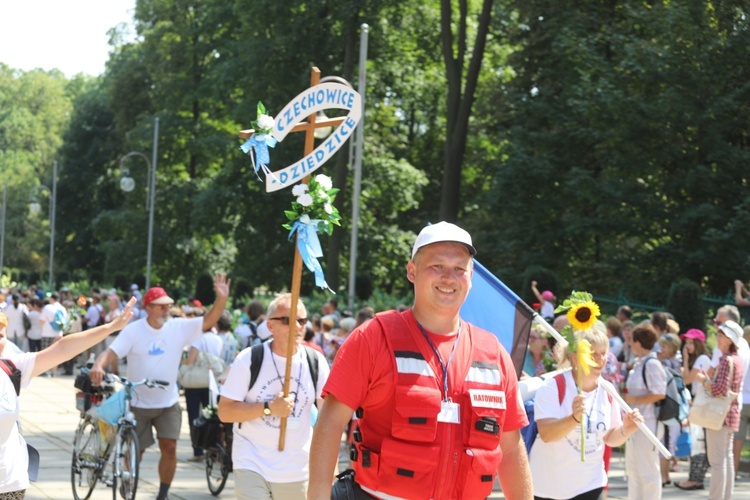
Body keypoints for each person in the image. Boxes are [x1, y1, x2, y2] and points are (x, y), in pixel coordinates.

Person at [308, 221, 533, 499]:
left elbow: (510, 449)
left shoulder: (493, 352)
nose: (448, 277)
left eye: (459, 268)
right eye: (436, 266)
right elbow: (330, 423)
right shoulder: (374, 338)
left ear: (471, 277)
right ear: (411, 271)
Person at [90, 275, 230, 500]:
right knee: (137, 451)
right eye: (161, 306)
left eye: (169, 306)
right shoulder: (134, 330)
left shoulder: (178, 327)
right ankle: (127, 481)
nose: (167, 310)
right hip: (138, 402)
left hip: (168, 402)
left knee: (170, 448)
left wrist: (221, 299)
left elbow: (208, 321)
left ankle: (163, 494)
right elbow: (113, 351)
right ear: (148, 308)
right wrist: (98, 364)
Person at [0, 297, 136, 497]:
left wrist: (110, 327)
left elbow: (62, 349)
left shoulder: (10, 368)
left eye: (1, 335)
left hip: (10, 485)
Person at [218, 293, 329, 499]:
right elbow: (225, 412)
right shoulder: (249, 359)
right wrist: (269, 407)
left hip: (298, 469)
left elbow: (328, 417)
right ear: (271, 326)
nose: (296, 326)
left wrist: (329, 468)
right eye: (287, 320)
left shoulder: (316, 362)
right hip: (251, 463)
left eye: (301, 320)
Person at [529, 323, 642, 500]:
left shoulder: (608, 390)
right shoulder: (553, 386)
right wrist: (573, 418)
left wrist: (626, 429)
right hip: (549, 488)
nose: (601, 359)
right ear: (575, 357)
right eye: (593, 354)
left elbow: (609, 438)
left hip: (591, 484)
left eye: (603, 353)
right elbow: (547, 434)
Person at [692, 320, 744, 499]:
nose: (718, 337)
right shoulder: (736, 359)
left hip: (719, 417)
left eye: (721, 335)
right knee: (726, 459)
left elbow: (720, 389)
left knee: (717, 462)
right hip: (730, 415)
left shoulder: (726, 360)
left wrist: (704, 381)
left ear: (730, 339)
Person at [625, 324, 666, 499]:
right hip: (636, 423)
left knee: (648, 469)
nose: (630, 344)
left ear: (638, 342)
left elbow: (659, 393)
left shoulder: (652, 363)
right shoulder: (640, 362)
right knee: (633, 469)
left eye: (631, 341)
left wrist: (634, 400)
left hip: (648, 423)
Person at [676, 328, 712, 491]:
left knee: (698, 443)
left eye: (691, 343)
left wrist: (684, 359)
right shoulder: (702, 359)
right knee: (699, 442)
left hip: (701, 405)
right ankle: (695, 478)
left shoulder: (701, 359)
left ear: (698, 344)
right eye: (687, 343)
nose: (688, 346)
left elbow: (687, 379)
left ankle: (695, 479)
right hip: (700, 404)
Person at [182, 321, 223, 462]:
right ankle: (212, 447)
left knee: (194, 416)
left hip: (195, 382)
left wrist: (183, 358)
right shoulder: (217, 338)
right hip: (212, 381)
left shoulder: (197, 340)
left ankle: (198, 449)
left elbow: (190, 360)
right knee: (211, 415)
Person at [39, 293, 69, 376]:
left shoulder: (47, 307)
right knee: (56, 353)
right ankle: (54, 372)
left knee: (45, 353)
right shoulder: (62, 308)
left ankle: (46, 372)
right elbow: (66, 321)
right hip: (58, 334)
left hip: (46, 333)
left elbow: (41, 321)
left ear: (51, 299)